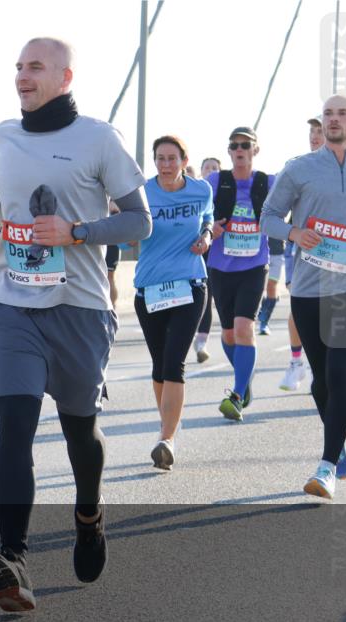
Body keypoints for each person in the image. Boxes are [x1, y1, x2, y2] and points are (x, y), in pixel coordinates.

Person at [0, 37, 151, 612]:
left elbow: (138, 221)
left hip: (80, 309)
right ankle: (13, 559)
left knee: (79, 434)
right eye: (19, 67)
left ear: (65, 77)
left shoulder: (99, 138)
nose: (23, 76)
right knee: (13, 427)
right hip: (14, 304)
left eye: (35, 67)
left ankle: (88, 515)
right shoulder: (3, 135)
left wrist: (78, 233)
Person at [261, 94, 346, 499]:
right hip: (308, 288)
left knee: (337, 374)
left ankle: (327, 466)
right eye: (328, 114)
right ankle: (340, 448)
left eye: (342, 113)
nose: (334, 119)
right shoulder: (298, 168)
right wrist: (294, 233)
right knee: (320, 381)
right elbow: (267, 218)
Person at [134, 136, 213, 471]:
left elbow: (208, 219)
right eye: (160, 158)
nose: (166, 165)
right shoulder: (141, 193)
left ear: (184, 160)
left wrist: (206, 236)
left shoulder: (201, 190)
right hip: (150, 289)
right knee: (159, 365)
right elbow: (125, 228)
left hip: (189, 286)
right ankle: (167, 429)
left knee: (174, 363)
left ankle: (166, 439)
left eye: (172, 158)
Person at [206, 127, 274, 421]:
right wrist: (208, 228)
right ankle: (244, 380)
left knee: (244, 328)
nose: (239, 150)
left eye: (245, 145)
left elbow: (294, 200)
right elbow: (197, 212)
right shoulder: (215, 181)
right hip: (221, 267)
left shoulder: (268, 182)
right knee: (229, 333)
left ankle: (236, 394)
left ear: (255, 150)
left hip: (254, 267)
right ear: (229, 151)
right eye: (234, 145)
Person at [279, 117, 325, 391]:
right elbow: (277, 211)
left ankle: (322, 368)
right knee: (298, 309)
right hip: (300, 251)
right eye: (312, 131)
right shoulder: (295, 167)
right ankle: (296, 363)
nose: (314, 136)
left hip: (335, 255)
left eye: (320, 131)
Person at [193, 157, 222, 362]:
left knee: (207, 295)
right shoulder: (193, 193)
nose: (211, 171)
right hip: (191, 252)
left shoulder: (224, 195)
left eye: (215, 168)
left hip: (214, 253)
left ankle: (201, 343)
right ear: (201, 171)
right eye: (207, 167)